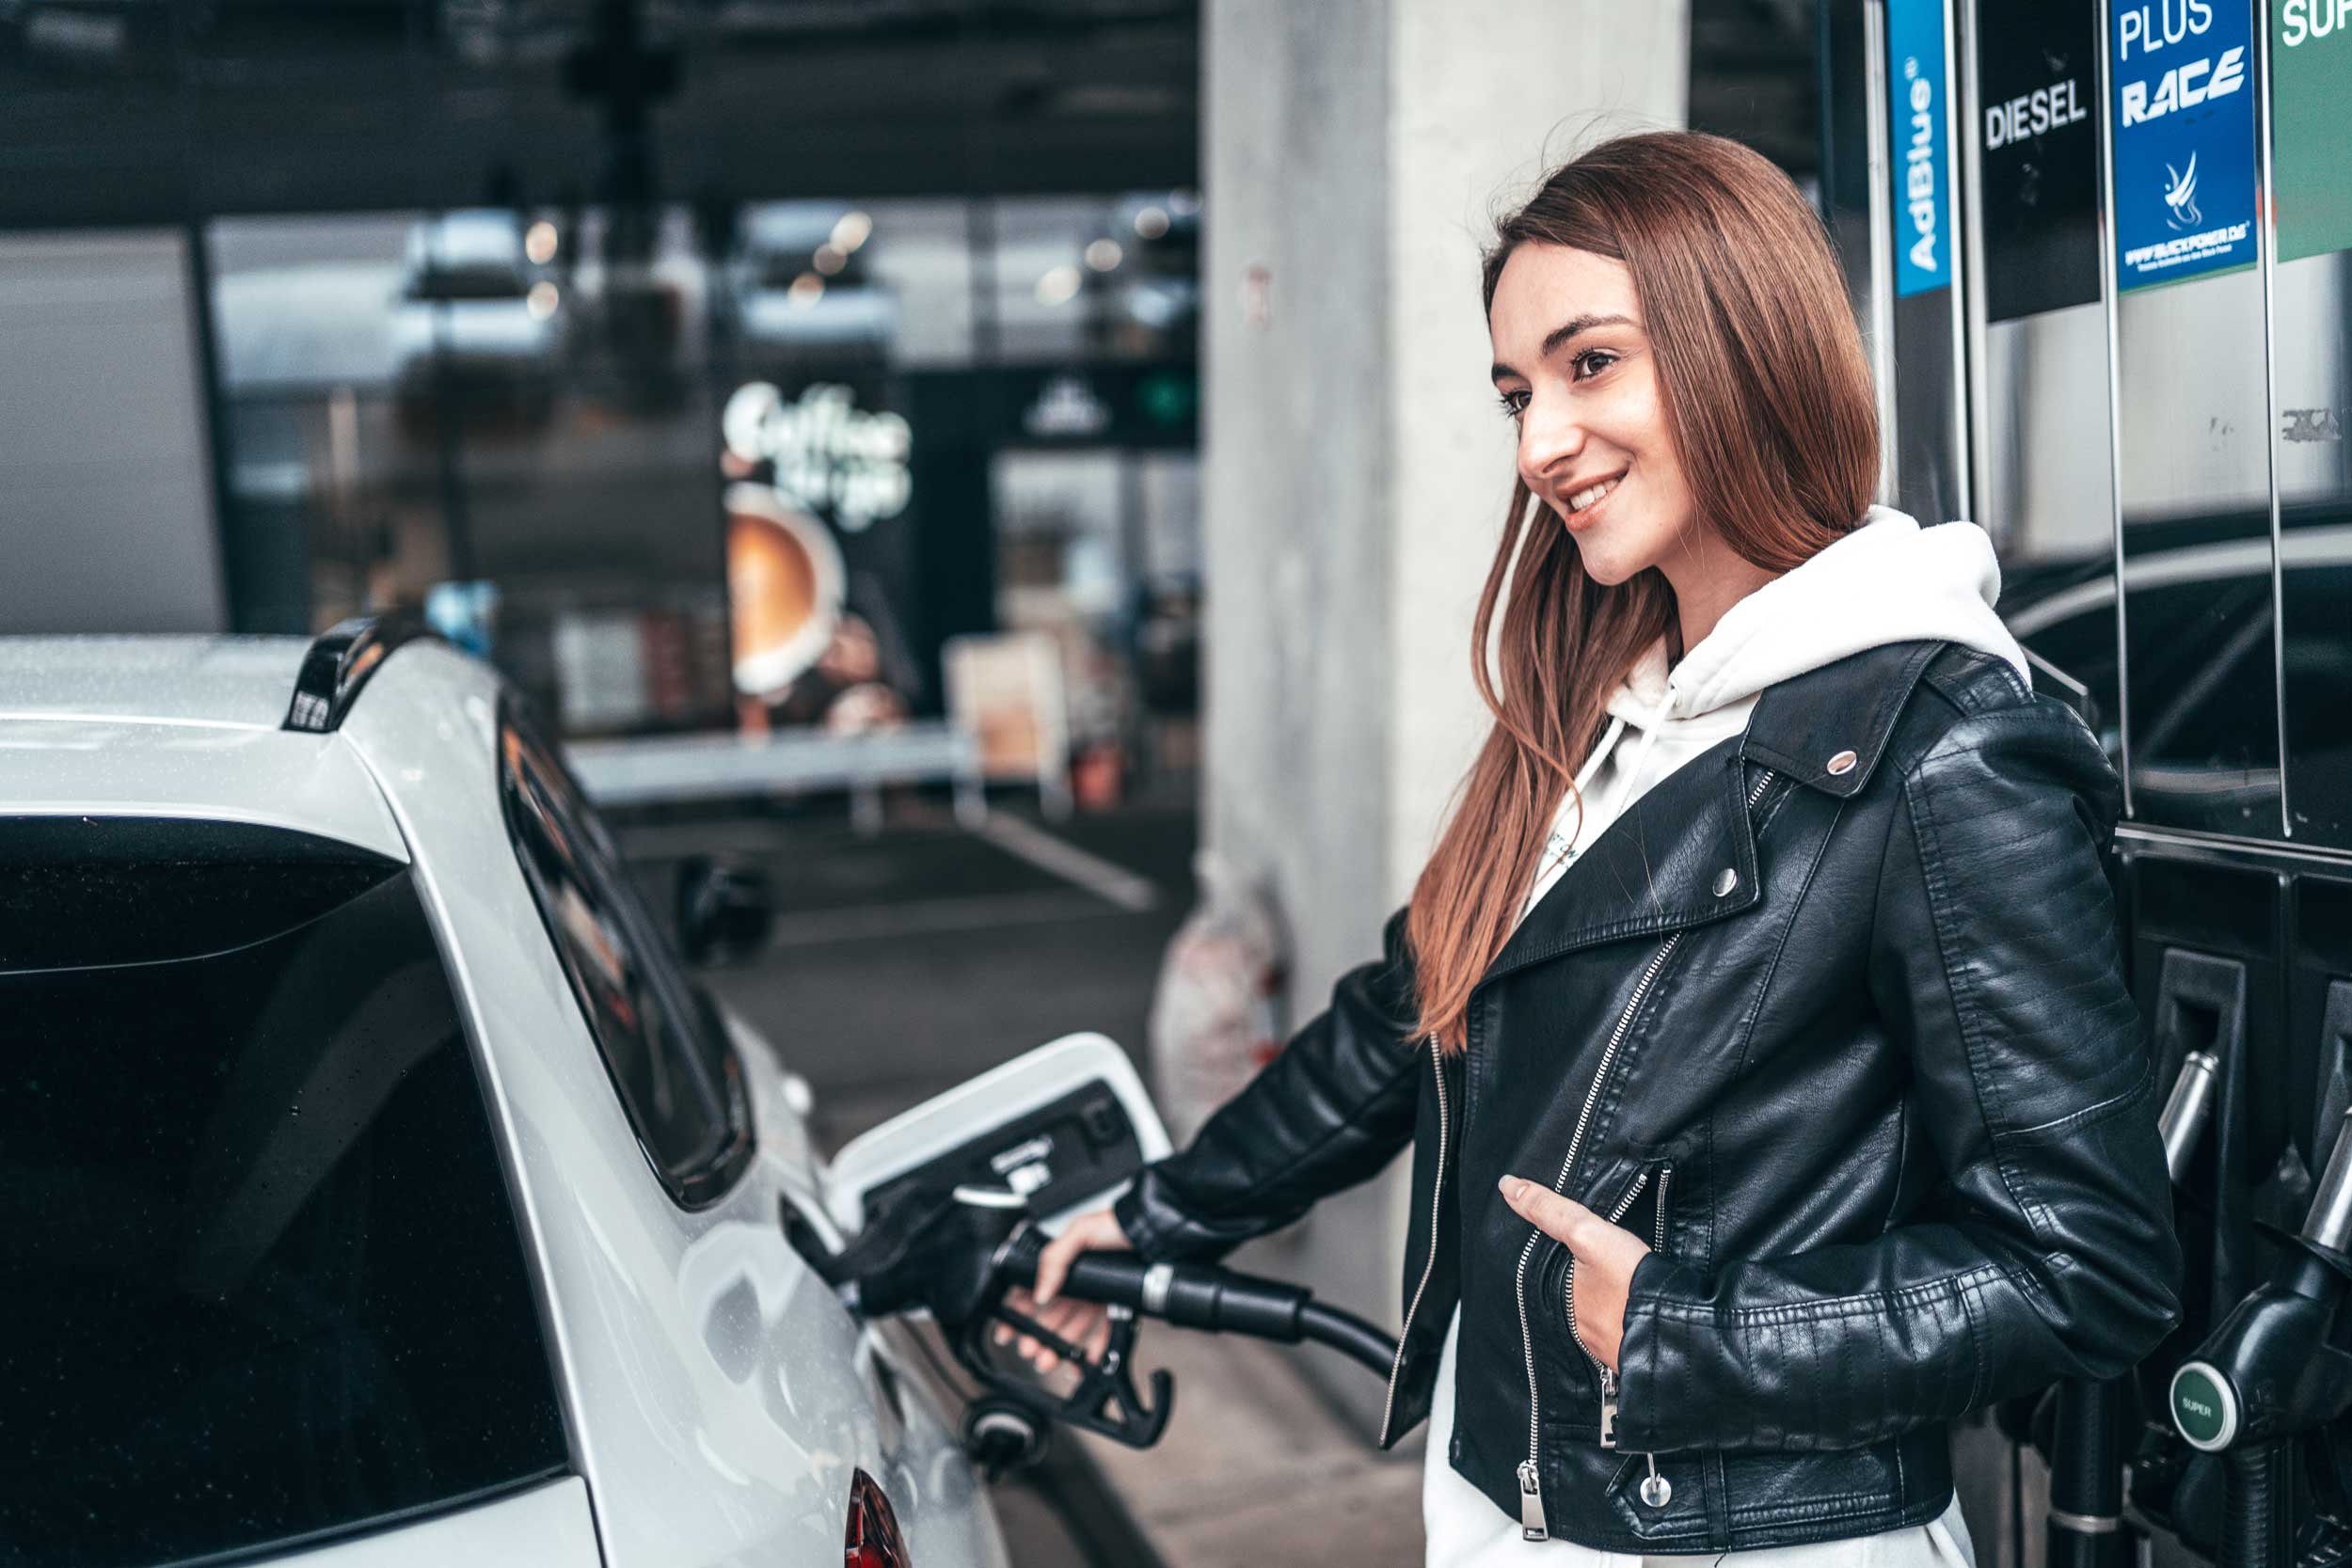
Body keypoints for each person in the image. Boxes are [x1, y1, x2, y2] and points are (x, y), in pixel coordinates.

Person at [999, 129, 2183, 1563]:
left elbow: (2088, 1267)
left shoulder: (1941, 747)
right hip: (1508, 1502)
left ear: (1744, 343)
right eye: (1516, 391)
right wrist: (1154, 1221)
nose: (1538, 443)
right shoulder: (1601, 710)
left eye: (1589, 364)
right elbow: (1403, 1024)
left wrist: (1694, 1337)